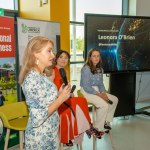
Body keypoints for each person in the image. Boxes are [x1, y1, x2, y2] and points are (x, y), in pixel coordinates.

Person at [18, 36, 71, 150]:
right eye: (49, 51)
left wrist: (59, 94)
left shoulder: (42, 75)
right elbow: (38, 117)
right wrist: (60, 99)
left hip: (50, 133)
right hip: (40, 139)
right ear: (36, 53)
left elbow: (45, 102)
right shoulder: (31, 79)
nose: (53, 55)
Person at [49, 49, 104, 146]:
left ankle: (88, 127)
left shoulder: (64, 71)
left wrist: (70, 92)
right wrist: (61, 94)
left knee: (82, 100)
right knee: (68, 111)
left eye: (66, 58)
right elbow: (50, 90)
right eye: (61, 57)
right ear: (56, 58)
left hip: (65, 98)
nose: (63, 60)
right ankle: (67, 137)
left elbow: (66, 86)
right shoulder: (52, 71)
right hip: (56, 100)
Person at [80, 48, 118, 133]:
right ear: (90, 57)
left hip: (97, 90)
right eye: (94, 56)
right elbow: (86, 87)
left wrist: (103, 92)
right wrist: (100, 95)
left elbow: (100, 84)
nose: (96, 58)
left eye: (98, 56)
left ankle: (105, 121)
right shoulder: (86, 69)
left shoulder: (100, 69)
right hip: (86, 92)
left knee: (114, 99)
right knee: (104, 105)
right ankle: (97, 127)